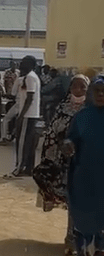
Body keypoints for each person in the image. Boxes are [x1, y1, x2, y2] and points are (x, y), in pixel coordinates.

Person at [32, 74, 89, 254]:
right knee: (73, 203)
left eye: (82, 87)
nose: (78, 91)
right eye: (75, 87)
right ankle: (71, 239)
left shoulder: (93, 111)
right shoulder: (62, 108)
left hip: (87, 165)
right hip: (65, 164)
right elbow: (51, 133)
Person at [63, 76, 104, 255]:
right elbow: (71, 138)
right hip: (85, 178)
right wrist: (68, 144)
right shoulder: (81, 117)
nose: (101, 94)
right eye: (97, 91)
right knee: (85, 220)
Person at [6, 56, 42, 178]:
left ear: (31, 65)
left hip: (28, 115)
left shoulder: (30, 78)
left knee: (21, 143)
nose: (21, 64)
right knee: (29, 143)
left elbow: (30, 98)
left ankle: (19, 168)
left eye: (24, 63)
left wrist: (21, 116)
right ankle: (28, 169)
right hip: (30, 115)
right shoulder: (26, 78)